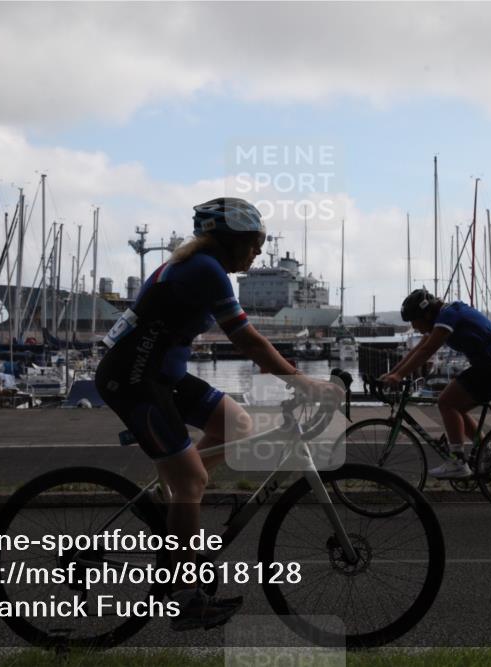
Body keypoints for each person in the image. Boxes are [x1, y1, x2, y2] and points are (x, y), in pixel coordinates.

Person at [96, 197, 339, 631]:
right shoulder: (205, 269)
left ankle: (170, 499)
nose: (259, 252)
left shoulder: (204, 265)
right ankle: (186, 598)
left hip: (160, 375)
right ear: (231, 240)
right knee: (192, 479)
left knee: (237, 425)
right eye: (255, 243)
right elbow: (246, 340)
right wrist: (301, 381)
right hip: (135, 381)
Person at [380, 289, 491, 479]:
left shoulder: (449, 315)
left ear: (427, 314)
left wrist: (398, 376)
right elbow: (419, 347)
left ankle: (458, 462)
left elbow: (428, 350)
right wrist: (394, 373)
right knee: (456, 408)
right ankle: (487, 454)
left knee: (446, 402)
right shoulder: (442, 317)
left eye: (415, 322)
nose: (415, 327)